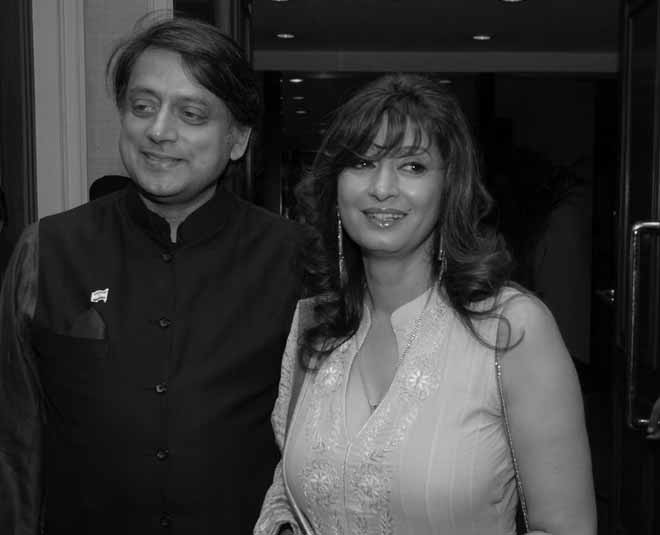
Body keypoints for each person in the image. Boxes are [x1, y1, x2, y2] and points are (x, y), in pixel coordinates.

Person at [254, 74, 596, 535]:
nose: (382, 187)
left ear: (450, 187)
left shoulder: (510, 329)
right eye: (361, 162)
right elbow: (288, 486)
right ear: (335, 185)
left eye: (412, 166)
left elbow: (565, 527)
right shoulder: (315, 325)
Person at [0, 17, 302, 534]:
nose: (160, 131)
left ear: (237, 139)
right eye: (142, 107)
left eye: (191, 113)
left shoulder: (297, 260)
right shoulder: (47, 250)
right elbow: (14, 444)